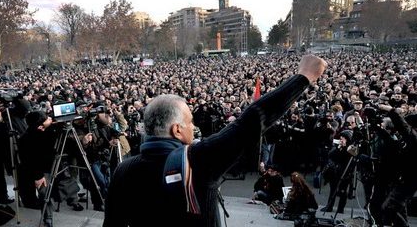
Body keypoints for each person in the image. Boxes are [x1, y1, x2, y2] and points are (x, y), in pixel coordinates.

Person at [103, 54, 327, 227]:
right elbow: (248, 123)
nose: (194, 127)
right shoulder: (197, 160)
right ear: (177, 130)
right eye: (190, 122)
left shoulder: (123, 170)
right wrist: (303, 77)